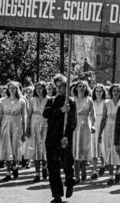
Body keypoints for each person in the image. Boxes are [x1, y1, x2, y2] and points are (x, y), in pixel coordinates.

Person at [43, 74, 76, 203]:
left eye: (61, 86)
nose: (58, 89)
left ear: (66, 87)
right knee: (52, 166)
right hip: (52, 136)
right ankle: (56, 194)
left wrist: (67, 136)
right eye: (56, 86)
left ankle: (70, 180)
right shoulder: (51, 100)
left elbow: (72, 122)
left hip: (64, 138)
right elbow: (46, 114)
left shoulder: (71, 102)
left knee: (67, 162)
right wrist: (60, 111)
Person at [0, 81, 26, 181]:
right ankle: (8, 172)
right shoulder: (2, 101)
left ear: (17, 89)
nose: (12, 90)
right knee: (7, 147)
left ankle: (15, 165)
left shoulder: (22, 101)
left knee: (15, 147)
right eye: (10, 88)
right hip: (5, 125)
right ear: (7, 89)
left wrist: (24, 131)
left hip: (17, 125)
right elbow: (0, 116)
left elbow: (23, 117)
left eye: (14, 88)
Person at [98, 84, 120, 185]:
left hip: (119, 128)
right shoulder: (106, 103)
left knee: (118, 151)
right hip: (108, 128)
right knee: (109, 151)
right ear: (111, 92)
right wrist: (100, 133)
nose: (116, 92)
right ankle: (110, 176)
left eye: (118, 91)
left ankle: (118, 171)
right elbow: (104, 118)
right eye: (114, 91)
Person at [72, 80, 95, 183]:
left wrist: (93, 125)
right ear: (76, 88)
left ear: (86, 88)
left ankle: (84, 169)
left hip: (85, 124)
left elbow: (92, 115)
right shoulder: (72, 100)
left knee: (84, 148)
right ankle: (76, 175)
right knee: (75, 149)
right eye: (79, 86)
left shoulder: (89, 100)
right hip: (75, 125)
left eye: (83, 86)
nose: (81, 88)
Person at [28, 81, 49, 183]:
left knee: (44, 146)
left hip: (45, 123)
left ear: (44, 89)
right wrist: (27, 127)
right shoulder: (32, 100)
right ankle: (37, 173)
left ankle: (45, 166)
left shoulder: (48, 99)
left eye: (41, 88)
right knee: (36, 148)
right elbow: (29, 114)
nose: (39, 90)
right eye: (37, 88)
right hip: (34, 123)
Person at [91, 84, 106, 179]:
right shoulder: (91, 102)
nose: (98, 93)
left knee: (102, 147)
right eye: (97, 91)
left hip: (103, 125)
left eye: (100, 91)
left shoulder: (106, 102)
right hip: (94, 125)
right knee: (94, 148)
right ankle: (95, 170)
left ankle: (103, 164)